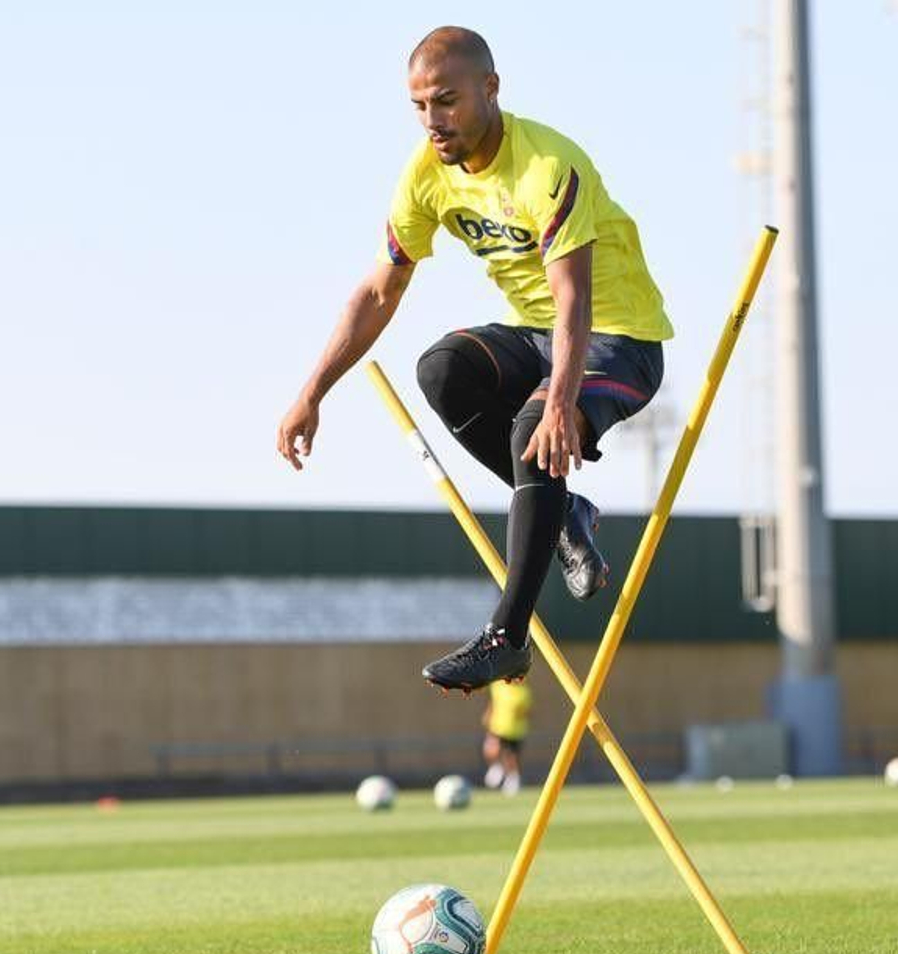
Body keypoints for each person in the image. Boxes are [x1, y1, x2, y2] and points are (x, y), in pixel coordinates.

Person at [276, 26, 672, 692]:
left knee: (532, 430)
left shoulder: (548, 166)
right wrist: (312, 391)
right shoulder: (426, 177)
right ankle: (564, 512)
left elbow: (574, 301)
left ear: (490, 90)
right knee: (442, 369)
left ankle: (506, 638)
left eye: (447, 101)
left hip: (618, 339)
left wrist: (558, 408)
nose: (433, 121)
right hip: (538, 335)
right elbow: (380, 291)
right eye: (420, 106)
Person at [482, 676, 532, 796]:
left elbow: (526, 712)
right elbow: (493, 702)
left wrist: (519, 713)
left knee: (511, 757)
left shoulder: (523, 693)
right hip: (498, 726)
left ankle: (513, 779)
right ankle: (496, 767)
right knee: (490, 750)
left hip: (515, 730)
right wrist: (488, 715)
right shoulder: (499, 686)